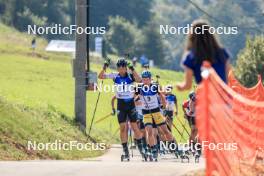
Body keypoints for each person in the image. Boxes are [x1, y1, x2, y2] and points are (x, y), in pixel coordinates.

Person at [98, 58, 144, 160]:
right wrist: (104, 67)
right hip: (121, 104)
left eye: (124, 67)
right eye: (120, 67)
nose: (122, 69)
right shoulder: (115, 75)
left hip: (131, 104)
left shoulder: (130, 75)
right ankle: (125, 150)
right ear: (118, 68)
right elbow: (100, 76)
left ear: (126, 68)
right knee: (123, 127)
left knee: (135, 127)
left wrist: (132, 69)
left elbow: (139, 80)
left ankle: (142, 149)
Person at [176, 20, 231, 91]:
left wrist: (179, 86)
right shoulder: (223, 53)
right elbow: (228, 77)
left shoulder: (191, 56)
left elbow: (187, 85)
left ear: (192, 36)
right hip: (224, 97)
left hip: (206, 99)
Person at [136, 70, 177, 161]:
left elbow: (162, 96)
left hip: (156, 112)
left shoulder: (155, 86)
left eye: (147, 79)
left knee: (165, 131)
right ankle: (154, 149)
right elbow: (134, 97)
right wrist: (136, 100)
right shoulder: (139, 88)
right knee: (149, 131)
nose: (145, 81)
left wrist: (164, 106)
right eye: (144, 79)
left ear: (150, 79)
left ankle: (174, 146)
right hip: (146, 113)